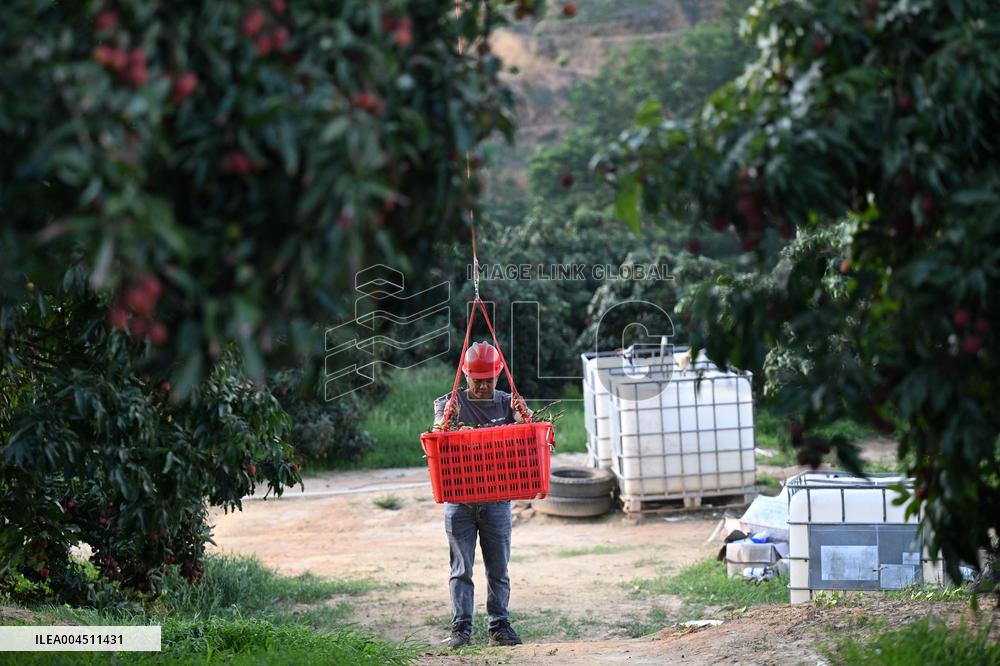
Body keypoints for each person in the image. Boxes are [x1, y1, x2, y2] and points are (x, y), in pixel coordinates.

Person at [432, 340, 531, 648]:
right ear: (465, 374)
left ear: (499, 374)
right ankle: (461, 628)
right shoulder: (449, 402)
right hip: (459, 500)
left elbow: (527, 435)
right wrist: (446, 424)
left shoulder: (507, 403)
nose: (484, 386)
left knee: (498, 568)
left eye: (489, 379)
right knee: (461, 569)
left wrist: (522, 418)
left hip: (497, 500)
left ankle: (499, 626)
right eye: (477, 380)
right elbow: (437, 433)